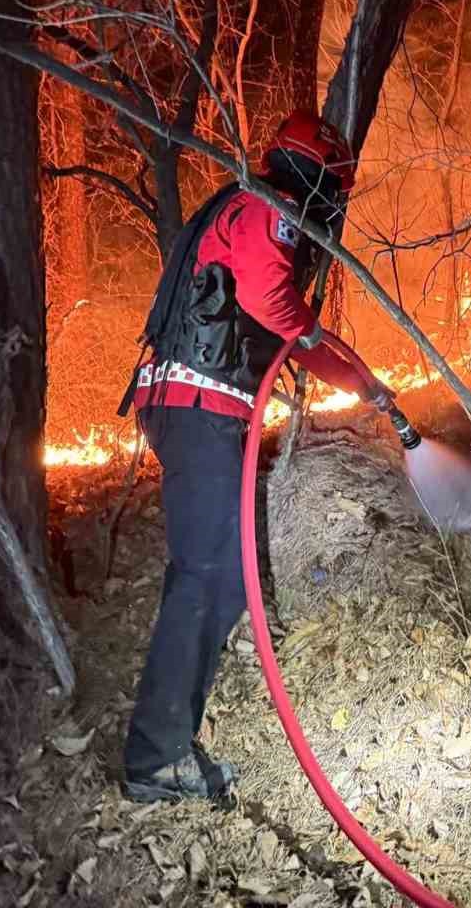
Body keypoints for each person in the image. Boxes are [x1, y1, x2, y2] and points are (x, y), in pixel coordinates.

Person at [117, 109, 394, 804]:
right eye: (337, 188)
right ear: (323, 177)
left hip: (194, 406)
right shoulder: (272, 208)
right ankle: (155, 759)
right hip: (198, 407)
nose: (334, 205)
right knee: (203, 573)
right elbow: (273, 306)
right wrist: (334, 361)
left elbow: (278, 320)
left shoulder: (241, 204)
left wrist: (359, 380)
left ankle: (171, 739)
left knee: (232, 578)